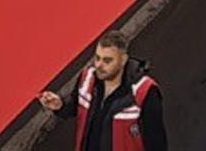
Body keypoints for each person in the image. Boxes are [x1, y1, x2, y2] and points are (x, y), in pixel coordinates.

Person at [35, 31, 168, 151]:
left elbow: (156, 143)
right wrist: (60, 105)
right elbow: (75, 106)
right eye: (97, 58)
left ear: (123, 60)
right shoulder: (87, 78)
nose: (99, 65)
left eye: (107, 60)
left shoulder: (144, 92)